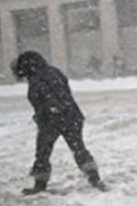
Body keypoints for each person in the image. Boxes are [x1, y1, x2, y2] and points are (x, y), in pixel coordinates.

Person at [11, 51, 107, 194]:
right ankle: (94, 178)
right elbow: (63, 92)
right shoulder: (53, 72)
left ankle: (40, 184)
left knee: (43, 152)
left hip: (52, 120)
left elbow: (43, 99)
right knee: (78, 148)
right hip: (72, 116)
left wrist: (45, 113)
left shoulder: (37, 79)